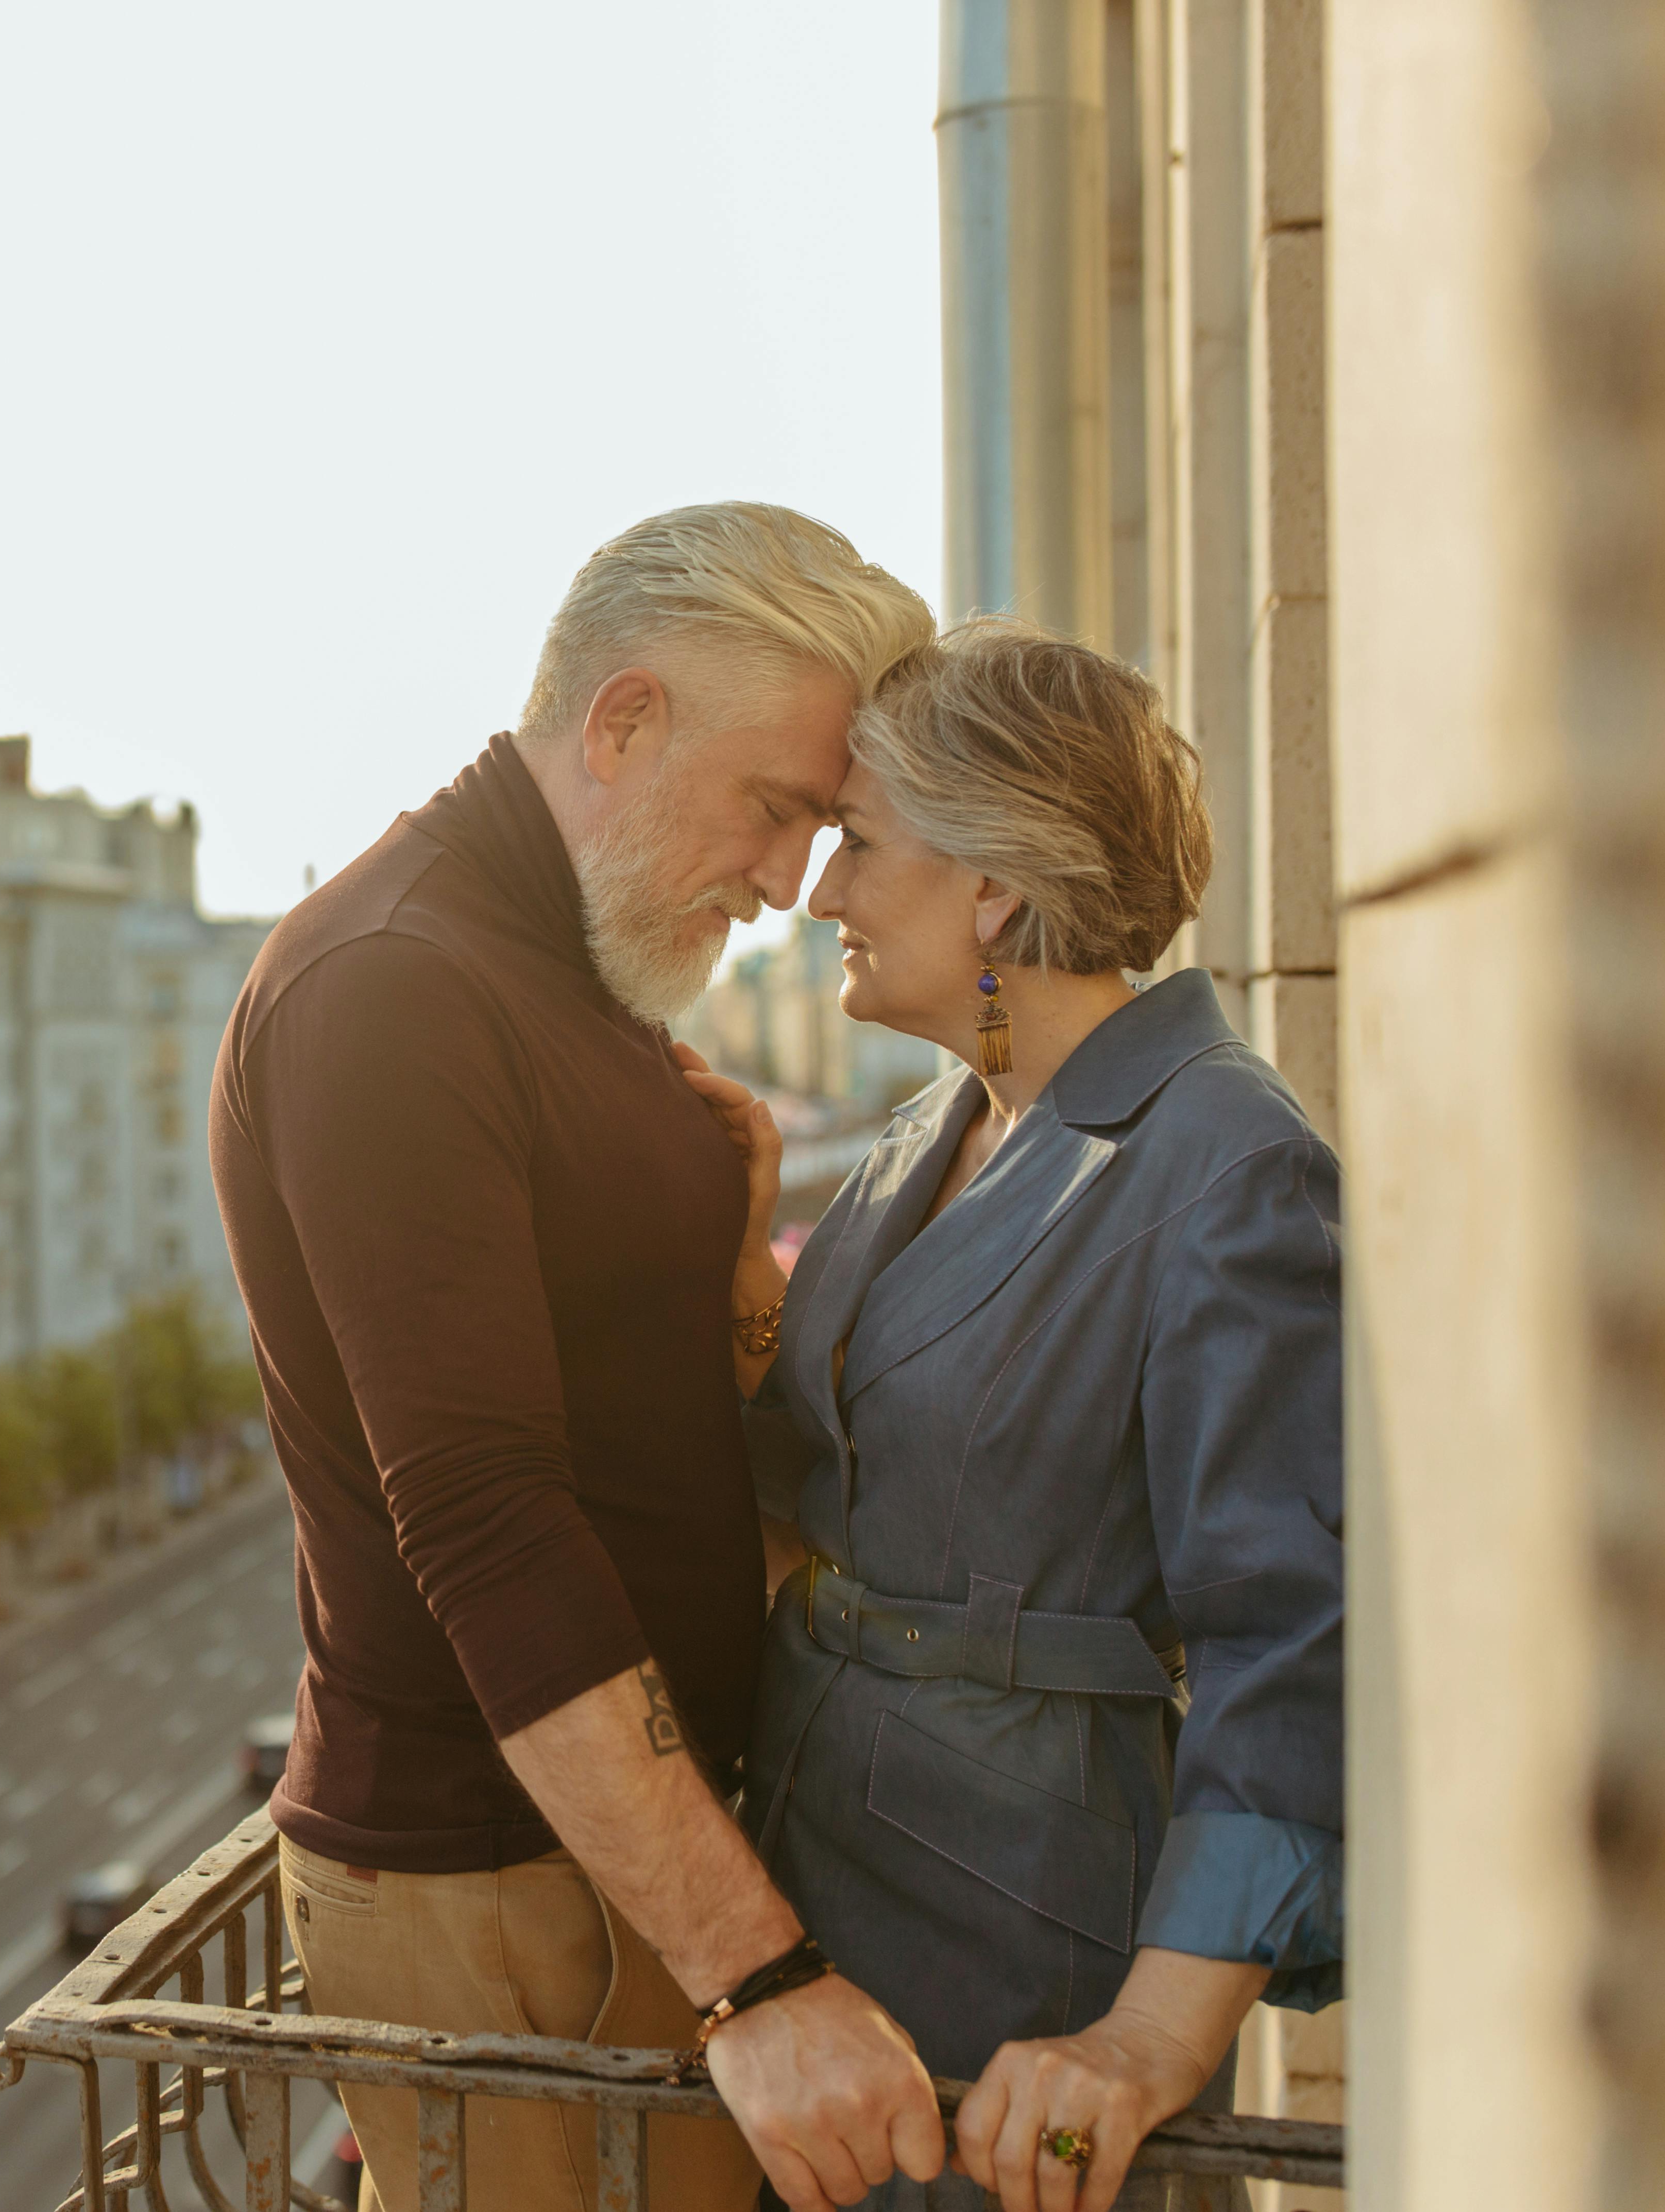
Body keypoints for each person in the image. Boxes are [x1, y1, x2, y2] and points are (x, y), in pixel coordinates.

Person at [212, 502, 949, 2212]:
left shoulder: (570, 958)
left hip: (608, 1858)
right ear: (621, 723)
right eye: (777, 810)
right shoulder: (394, 985)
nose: (789, 884)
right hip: (497, 1883)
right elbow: (483, 1518)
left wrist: (727, 1206)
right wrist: (756, 1977)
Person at [682, 619, 1343, 2212]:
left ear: (990, 885)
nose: (821, 890)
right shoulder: (946, 1116)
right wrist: (739, 1243)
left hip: (1017, 1912)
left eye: (859, 843)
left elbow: (1289, 1634)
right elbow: (846, 1463)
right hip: (821, 1853)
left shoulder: (1225, 1168)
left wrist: (1139, 2046)